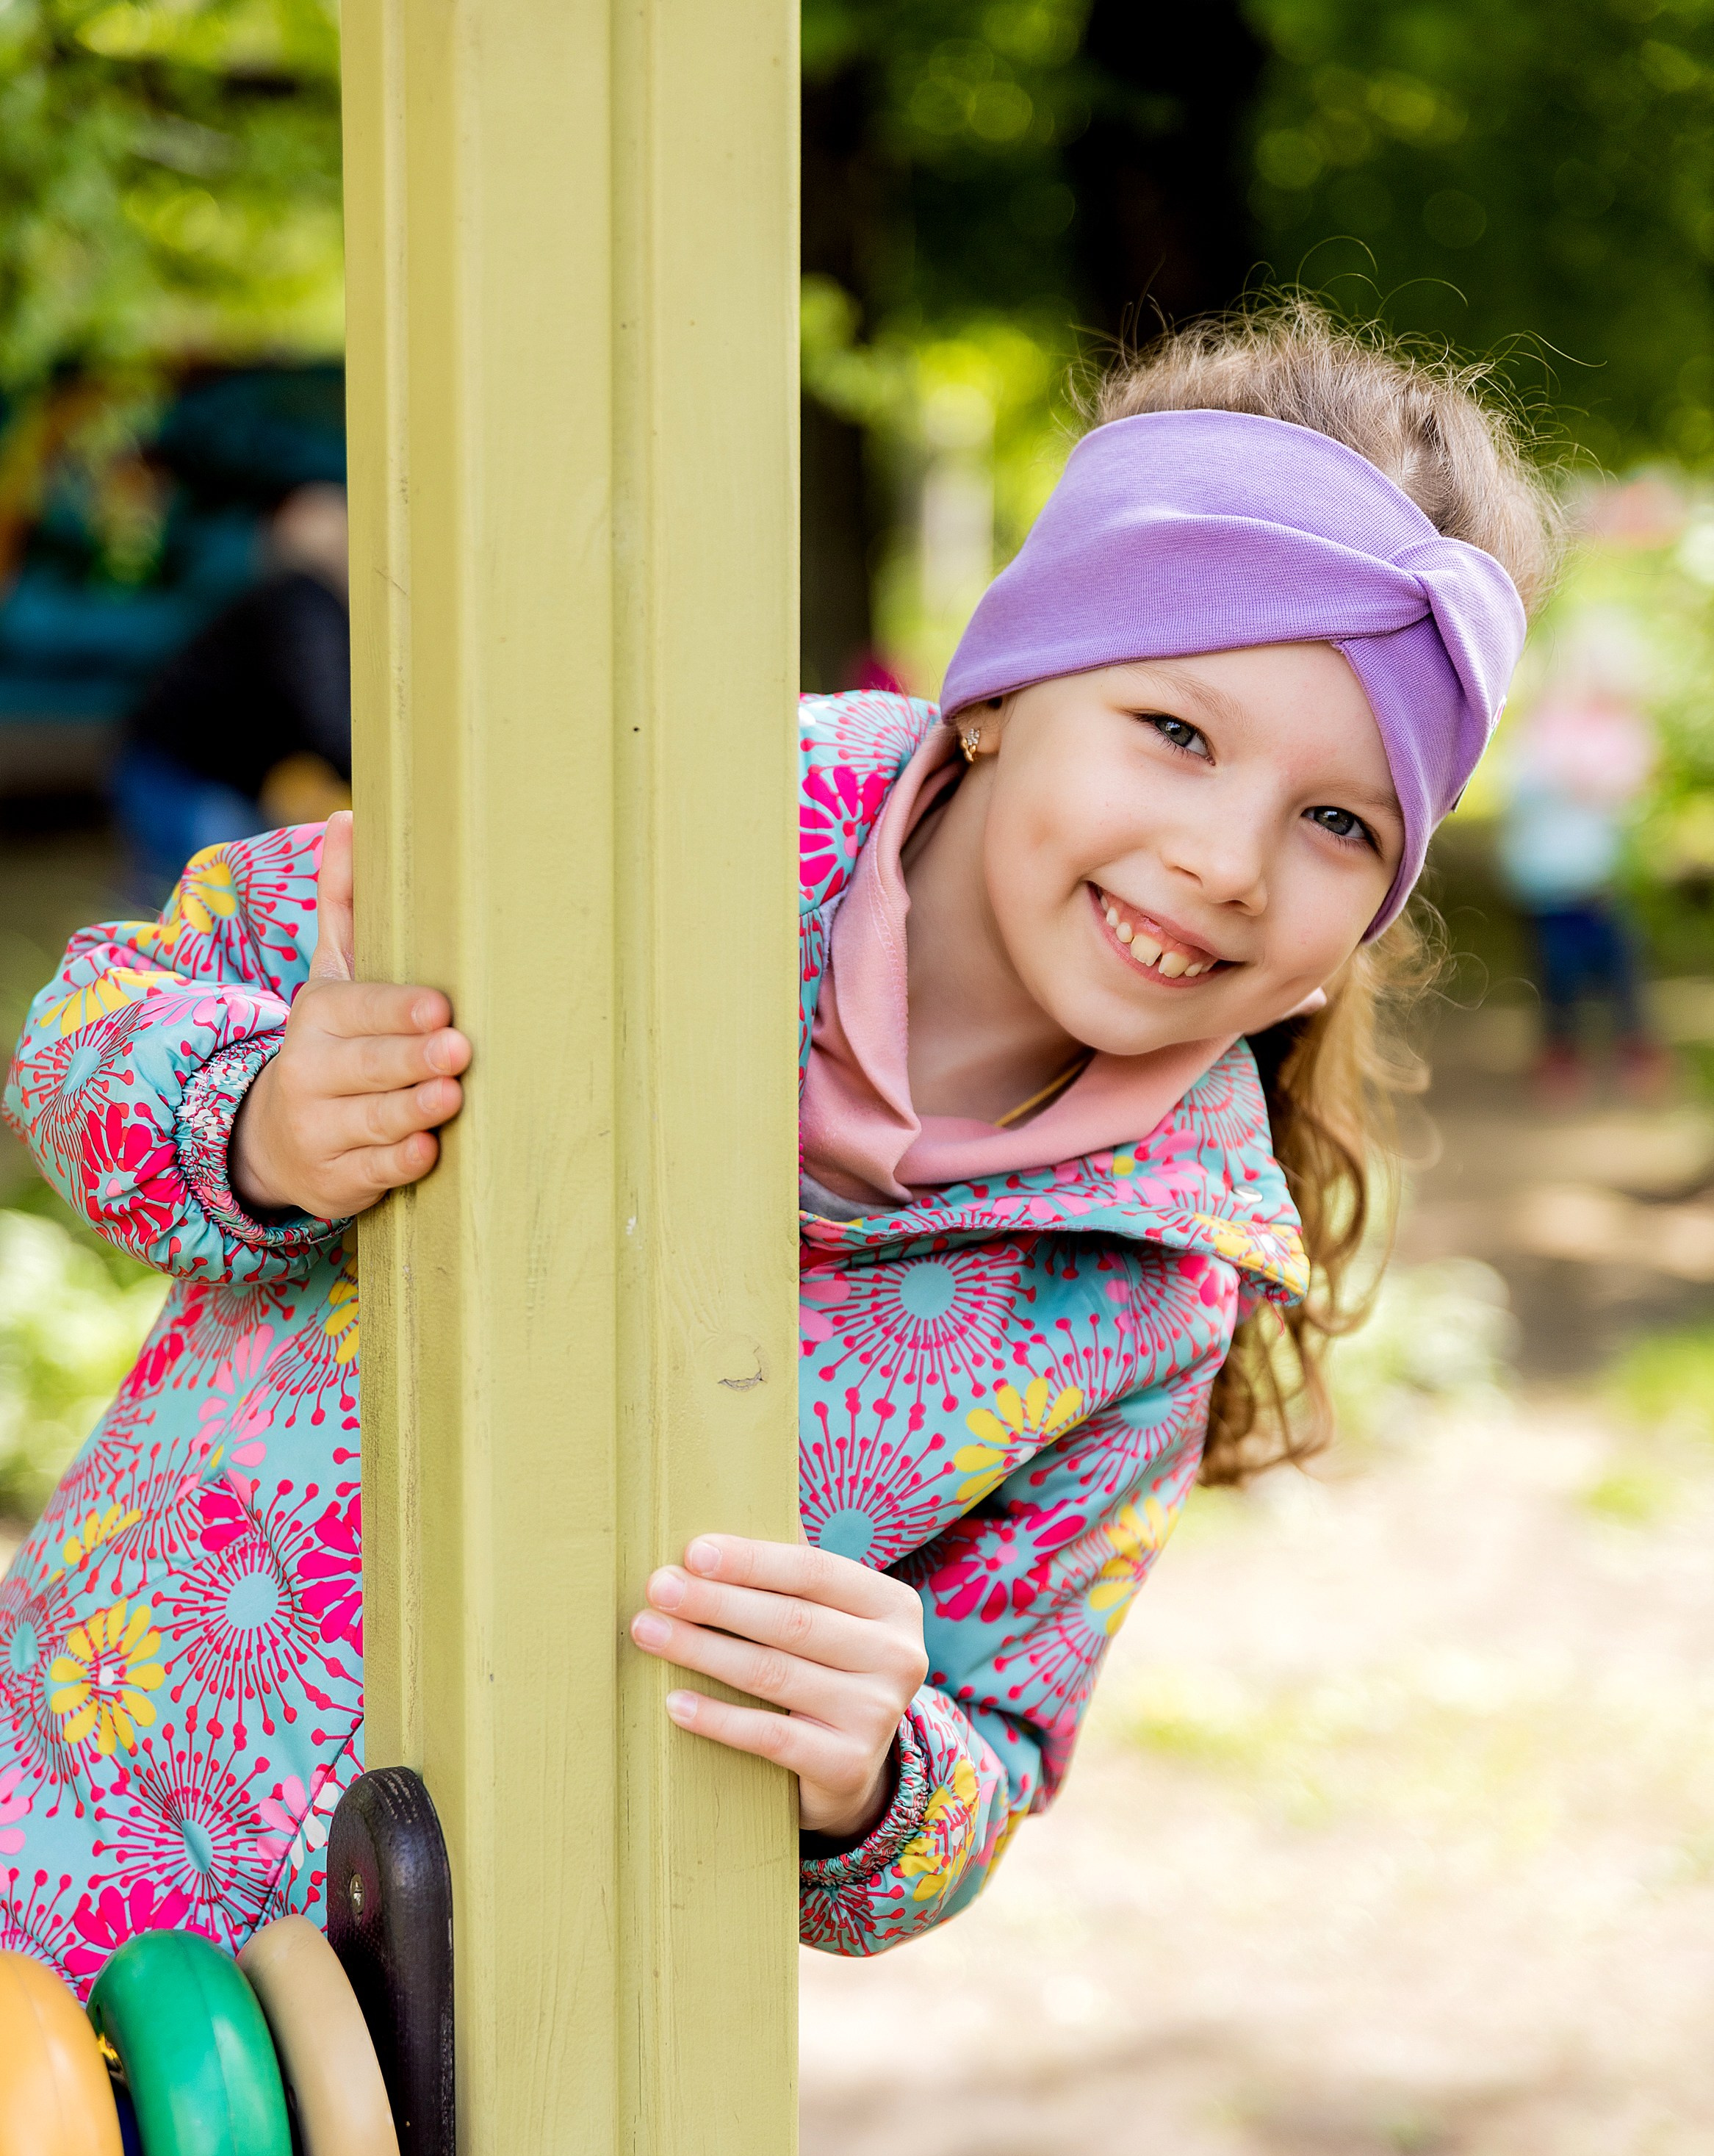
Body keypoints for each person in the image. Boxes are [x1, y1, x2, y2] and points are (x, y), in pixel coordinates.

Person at [1, 303, 1557, 1988]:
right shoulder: (625, 817)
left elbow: (996, 1748)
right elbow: (93, 1032)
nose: (1229, 858)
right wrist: (257, 1121)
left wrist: (876, 1774)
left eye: (1340, 823)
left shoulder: (1156, 1279)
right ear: (998, 696)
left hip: (470, 2058)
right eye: (1175, 734)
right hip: (62, 1807)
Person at [109, 482, 352, 907]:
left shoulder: (276, 600)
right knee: (225, 898)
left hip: (163, 763)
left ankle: (124, 962)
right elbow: (327, 718)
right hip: (184, 776)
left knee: (177, 899)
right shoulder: (305, 606)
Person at [1495, 685, 1665, 1101]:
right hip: (1547, 885)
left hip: (1598, 881)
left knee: (1622, 968)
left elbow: (1633, 784)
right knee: (1557, 976)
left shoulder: (1612, 739)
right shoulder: (1534, 747)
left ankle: (1635, 1052)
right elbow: (1520, 793)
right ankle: (1561, 1058)